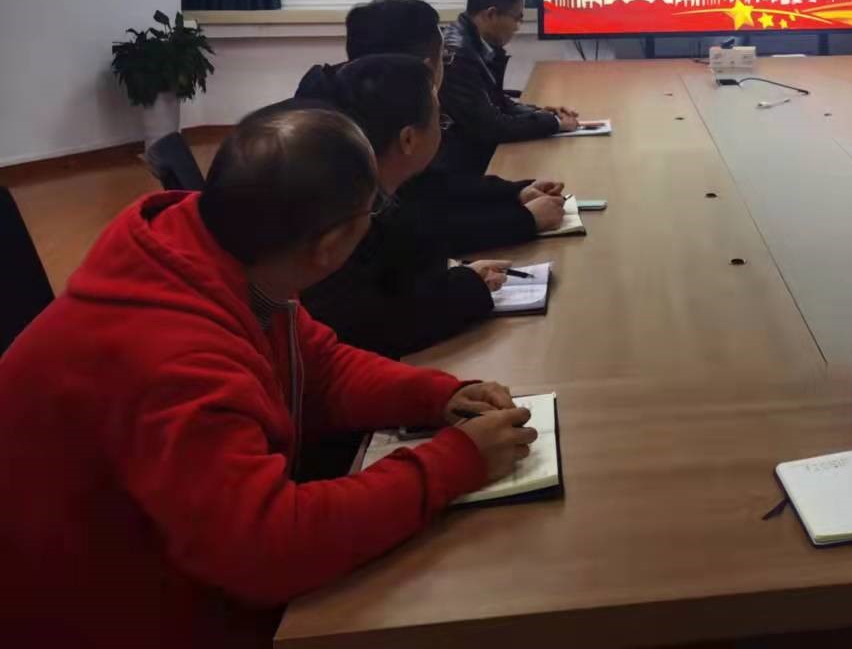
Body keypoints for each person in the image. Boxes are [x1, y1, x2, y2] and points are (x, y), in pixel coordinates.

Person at [0, 105, 537, 646]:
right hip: (102, 612)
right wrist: (453, 463)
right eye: (370, 213)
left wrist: (440, 395)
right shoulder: (175, 357)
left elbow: (320, 366)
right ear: (330, 246)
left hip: (160, 556)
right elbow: (267, 549)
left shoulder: (219, 251)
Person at [300, 0, 567, 253]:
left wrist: (515, 193)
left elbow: (432, 187)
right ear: (425, 69)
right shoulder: (361, 144)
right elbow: (414, 236)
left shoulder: (339, 102)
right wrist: (524, 219)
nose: (445, 68)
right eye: (444, 58)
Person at [296, 56, 508, 359]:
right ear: (408, 139)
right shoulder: (344, 215)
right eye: (439, 118)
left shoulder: (374, 185)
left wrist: (462, 279)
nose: (443, 128)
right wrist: (467, 288)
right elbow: (370, 327)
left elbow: (401, 283)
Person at [440, 0, 578, 173]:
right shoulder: (459, 57)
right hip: (461, 167)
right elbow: (490, 126)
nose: (518, 26)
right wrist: (554, 123)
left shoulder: (477, 44)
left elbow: (496, 103)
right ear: (491, 14)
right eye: (516, 18)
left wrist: (539, 112)